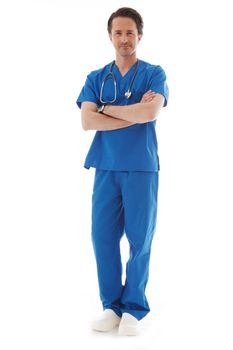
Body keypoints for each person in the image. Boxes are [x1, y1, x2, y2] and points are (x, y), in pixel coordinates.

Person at [76, 7, 169, 336]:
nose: (124, 38)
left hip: (141, 167)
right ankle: (111, 306)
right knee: (102, 237)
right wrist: (132, 112)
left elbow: (151, 112)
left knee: (139, 238)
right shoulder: (96, 78)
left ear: (139, 36)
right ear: (110, 36)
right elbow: (87, 121)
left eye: (130, 32)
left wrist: (106, 108)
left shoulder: (154, 74)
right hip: (106, 166)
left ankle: (134, 307)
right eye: (119, 32)